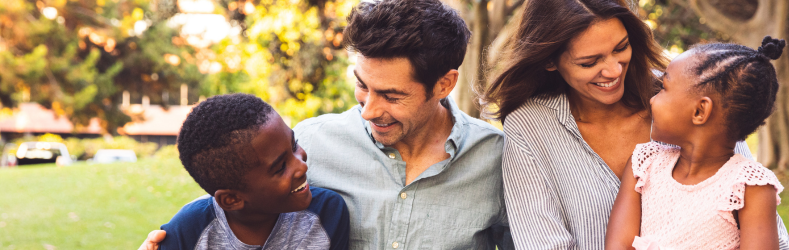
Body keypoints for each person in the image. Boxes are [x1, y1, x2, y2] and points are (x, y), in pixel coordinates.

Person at [140, 0, 511, 249]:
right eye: (362, 86)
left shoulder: (498, 159)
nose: (368, 110)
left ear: (444, 84)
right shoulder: (310, 143)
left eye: (392, 96)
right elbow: (233, 201)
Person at [480, 0, 789, 249]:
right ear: (550, 60)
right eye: (590, 62)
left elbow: (773, 240)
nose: (614, 70)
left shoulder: (696, 98)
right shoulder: (531, 126)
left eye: (621, 47)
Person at [605, 37, 787, 250]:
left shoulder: (749, 186)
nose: (652, 100)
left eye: (664, 88)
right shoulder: (644, 165)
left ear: (700, 111)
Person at [158, 93, 350, 250]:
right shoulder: (188, 232)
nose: (302, 166)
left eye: (294, 145)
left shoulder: (327, 214)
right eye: (281, 167)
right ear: (232, 200)